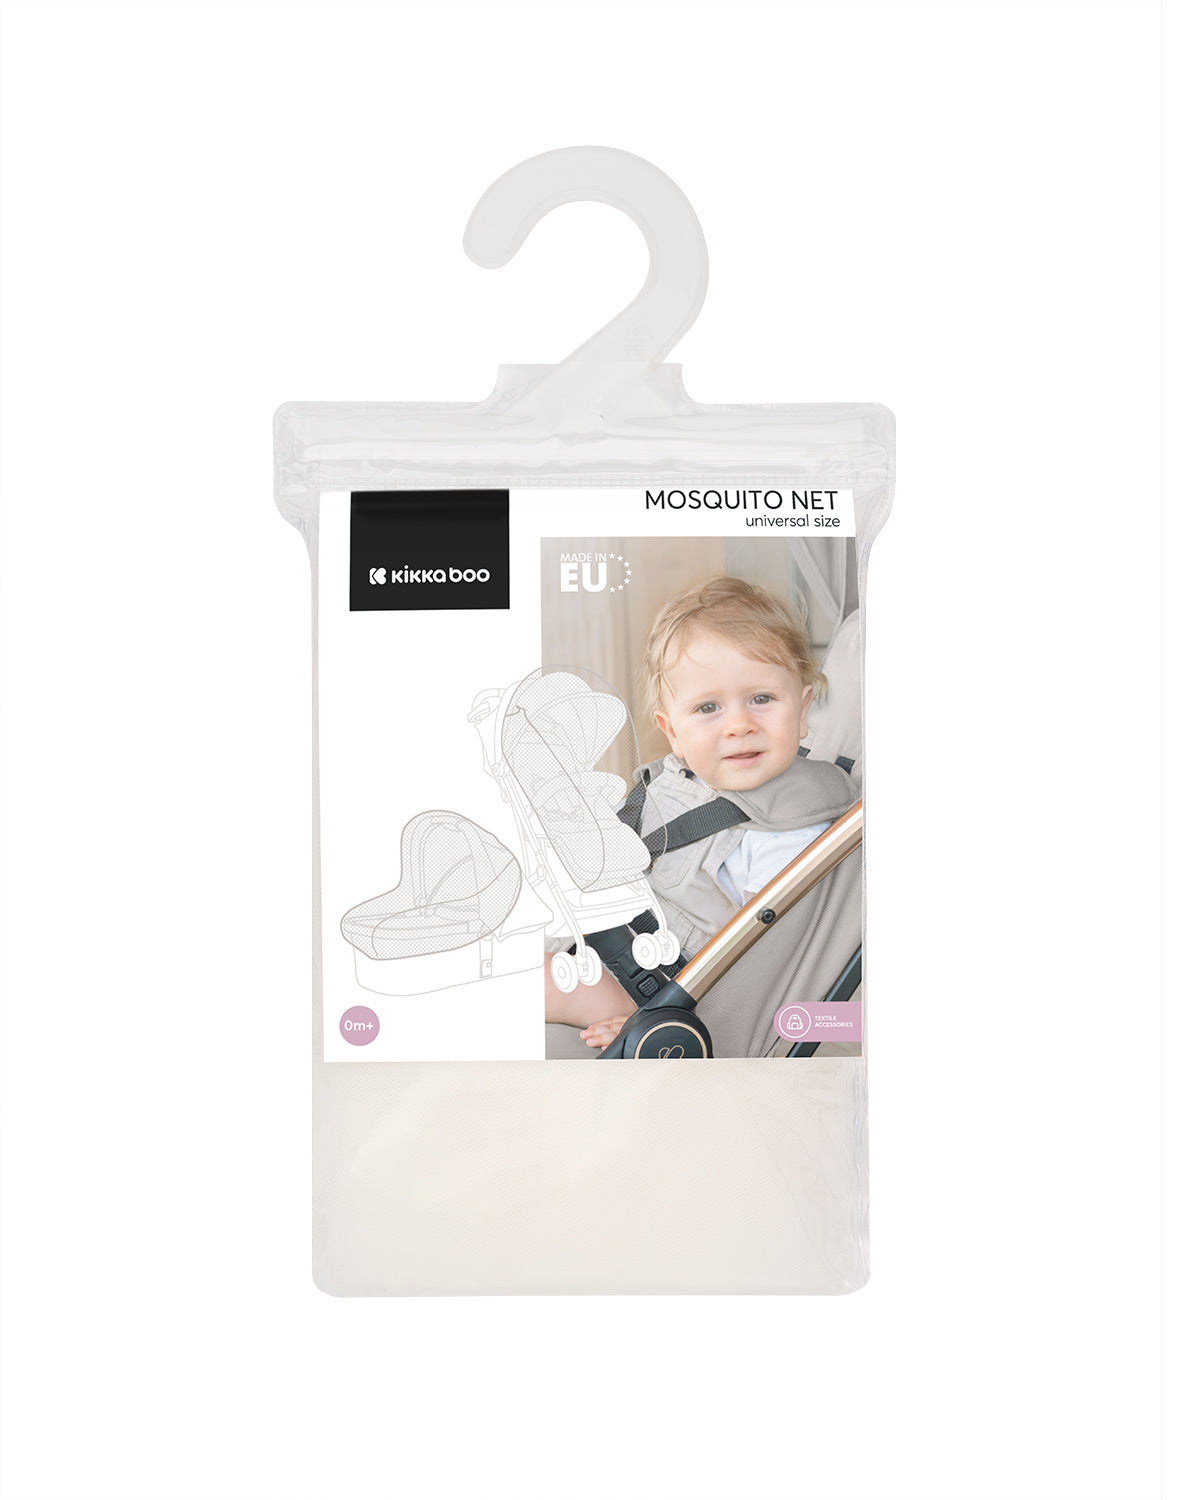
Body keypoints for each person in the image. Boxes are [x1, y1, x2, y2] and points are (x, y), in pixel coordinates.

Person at [544, 575, 856, 1050]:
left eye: (762, 699)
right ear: (673, 732)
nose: (739, 724)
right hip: (617, 942)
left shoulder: (785, 830)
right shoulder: (673, 782)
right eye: (709, 707)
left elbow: (763, 964)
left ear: (802, 709)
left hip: (662, 990)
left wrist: (655, 1015)